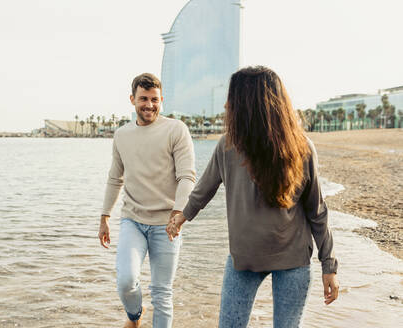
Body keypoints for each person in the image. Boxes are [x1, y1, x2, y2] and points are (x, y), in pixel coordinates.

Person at [167, 66, 339, 328]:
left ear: (249, 102)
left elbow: (317, 210)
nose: (227, 104)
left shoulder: (301, 148)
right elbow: (204, 189)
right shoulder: (228, 145)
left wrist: (329, 265)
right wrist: (182, 217)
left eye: (232, 97)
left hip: (292, 260)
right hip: (243, 259)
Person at [99, 73, 196, 328]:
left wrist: (178, 214)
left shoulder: (176, 130)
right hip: (133, 220)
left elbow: (187, 176)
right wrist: (105, 217)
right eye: (143, 98)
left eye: (154, 99)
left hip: (167, 224)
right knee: (126, 280)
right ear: (132, 100)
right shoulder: (121, 135)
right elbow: (114, 178)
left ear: (161, 99)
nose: (149, 105)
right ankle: (134, 317)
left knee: (162, 292)